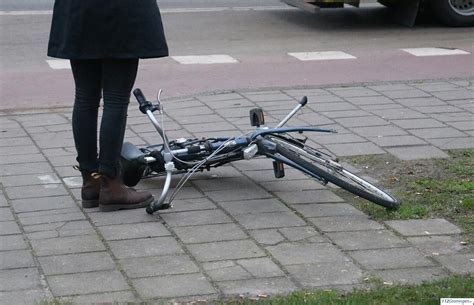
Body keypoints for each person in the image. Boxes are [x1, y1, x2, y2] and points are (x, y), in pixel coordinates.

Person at [47, 1, 169, 212]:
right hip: (121, 11)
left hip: (79, 10)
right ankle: (111, 185)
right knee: (115, 99)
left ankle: (91, 183)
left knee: (85, 97)